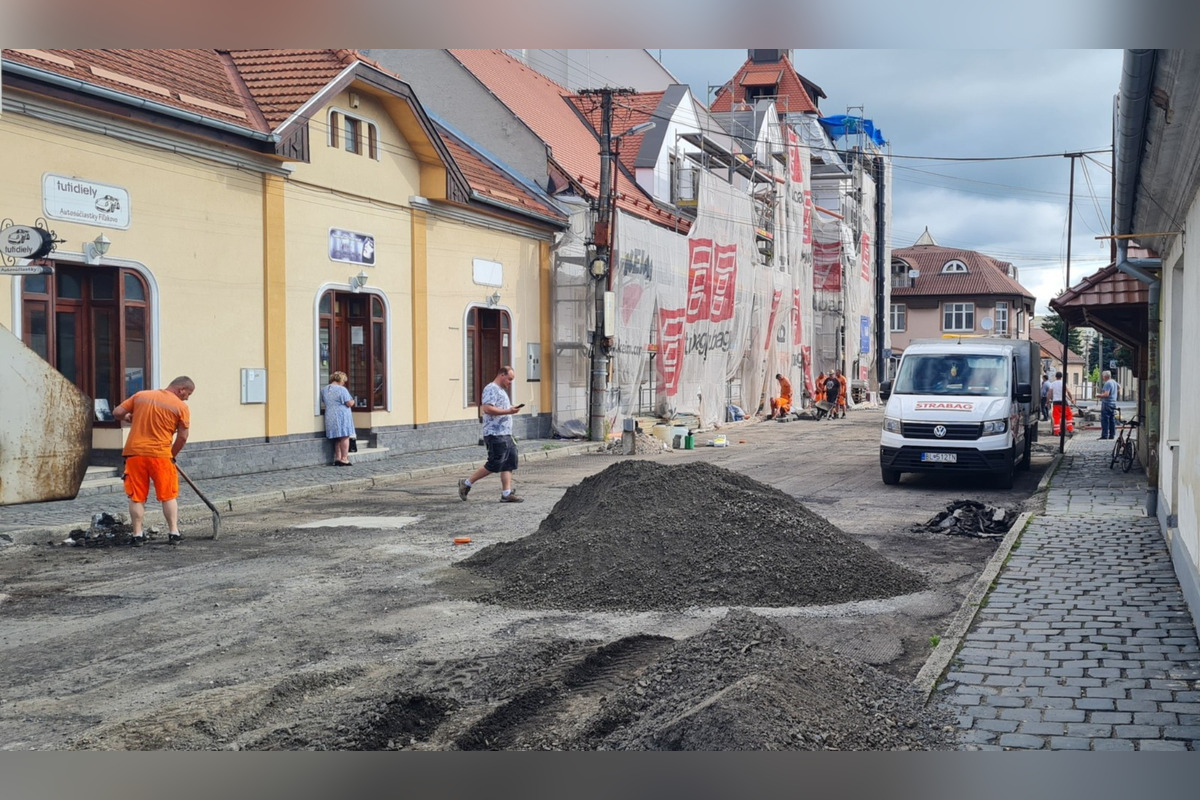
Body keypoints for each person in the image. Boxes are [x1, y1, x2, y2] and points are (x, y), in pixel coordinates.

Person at [112, 375, 195, 546]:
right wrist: (172, 455)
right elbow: (182, 437)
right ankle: (173, 533)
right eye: (188, 394)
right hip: (161, 456)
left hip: (135, 454)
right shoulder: (181, 407)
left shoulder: (141, 395)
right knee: (168, 496)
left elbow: (117, 413)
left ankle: (137, 535)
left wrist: (128, 417)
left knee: (137, 497)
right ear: (181, 390)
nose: (187, 398)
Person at [458, 365, 524, 502]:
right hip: (495, 433)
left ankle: (506, 494)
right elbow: (487, 408)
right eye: (509, 379)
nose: (510, 383)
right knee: (495, 463)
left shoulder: (501, 390)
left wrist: (510, 409)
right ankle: (466, 483)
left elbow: (499, 408)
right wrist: (508, 411)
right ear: (502, 375)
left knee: (509, 463)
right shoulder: (491, 388)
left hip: (506, 433)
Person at [322, 371, 355, 466]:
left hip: (330, 415)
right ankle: (344, 459)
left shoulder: (324, 389)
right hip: (342, 415)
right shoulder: (342, 389)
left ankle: (338, 458)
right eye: (343, 381)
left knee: (337, 438)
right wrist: (353, 401)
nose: (344, 383)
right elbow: (349, 403)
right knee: (345, 436)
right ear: (340, 380)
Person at [1047, 370, 1075, 435]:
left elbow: (1049, 393)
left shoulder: (1052, 384)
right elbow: (1068, 392)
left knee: (1056, 417)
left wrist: (1048, 401)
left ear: (1056, 377)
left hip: (1056, 403)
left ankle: (1057, 432)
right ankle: (1070, 429)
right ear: (1061, 377)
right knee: (1068, 415)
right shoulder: (1063, 383)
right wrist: (1072, 399)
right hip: (1063, 402)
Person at [1098, 369, 1120, 439]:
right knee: (1112, 419)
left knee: (1105, 420)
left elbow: (1106, 394)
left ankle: (1104, 435)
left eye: (1103, 376)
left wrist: (1099, 395)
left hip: (1107, 403)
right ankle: (1112, 435)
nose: (1102, 378)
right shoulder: (1114, 382)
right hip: (1113, 403)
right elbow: (1119, 387)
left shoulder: (1107, 383)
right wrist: (1114, 394)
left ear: (1105, 376)